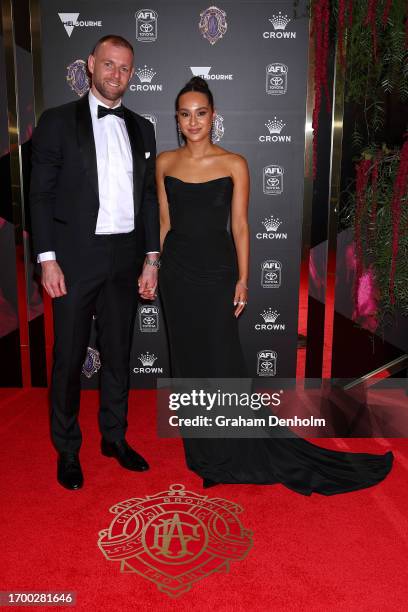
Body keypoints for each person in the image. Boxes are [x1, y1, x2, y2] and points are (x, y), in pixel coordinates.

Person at [156, 76, 393, 495]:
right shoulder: (163, 163)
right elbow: (164, 223)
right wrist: (156, 270)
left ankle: (232, 451)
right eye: (185, 114)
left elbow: (242, 227)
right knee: (188, 366)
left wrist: (244, 280)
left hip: (215, 276)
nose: (193, 121)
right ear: (177, 119)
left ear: (214, 117)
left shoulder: (234, 163)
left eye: (201, 113)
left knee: (222, 366)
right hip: (176, 277)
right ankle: (204, 454)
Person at [30, 35, 160, 490]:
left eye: (124, 68)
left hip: (125, 258)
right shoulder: (57, 122)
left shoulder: (143, 128)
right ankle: (67, 449)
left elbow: (147, 200)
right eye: (108, 65)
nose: (116, 75)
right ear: (90, 65)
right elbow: (40, 196)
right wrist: (48, 259)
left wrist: (151, 257)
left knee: (118, 356)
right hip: (74, 258)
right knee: (67, 356)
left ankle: (114, 437)